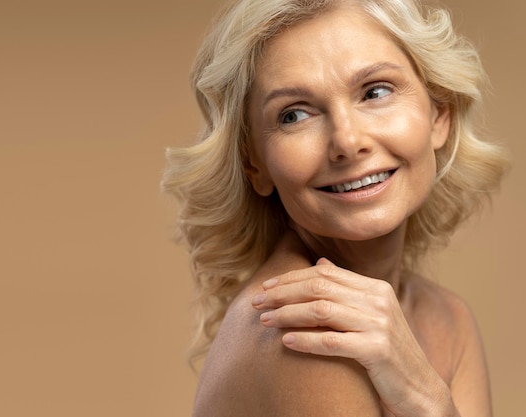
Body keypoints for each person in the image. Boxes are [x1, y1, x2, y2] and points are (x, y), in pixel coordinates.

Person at [162, 0, 508, 415]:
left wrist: (427, 396)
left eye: (375, 91)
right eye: (294, 115)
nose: (346, 141)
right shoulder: (303, 330)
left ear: (439, 114)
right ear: (253, 163)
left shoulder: (446, 317)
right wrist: (430, 403)